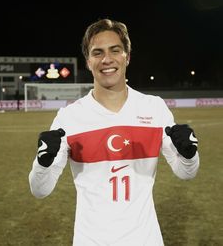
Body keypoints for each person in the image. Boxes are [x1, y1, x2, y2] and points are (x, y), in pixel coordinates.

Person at [29, 18, 200, 246]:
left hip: (146, 240)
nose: (106, 59)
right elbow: (40, 190)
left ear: (127, 57)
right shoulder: (69, 117)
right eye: (97, 53)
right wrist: (42, 163)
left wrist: (189, 155)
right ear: (88, 62)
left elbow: (186, 173)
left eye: (115, 50)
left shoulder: (154, 108)